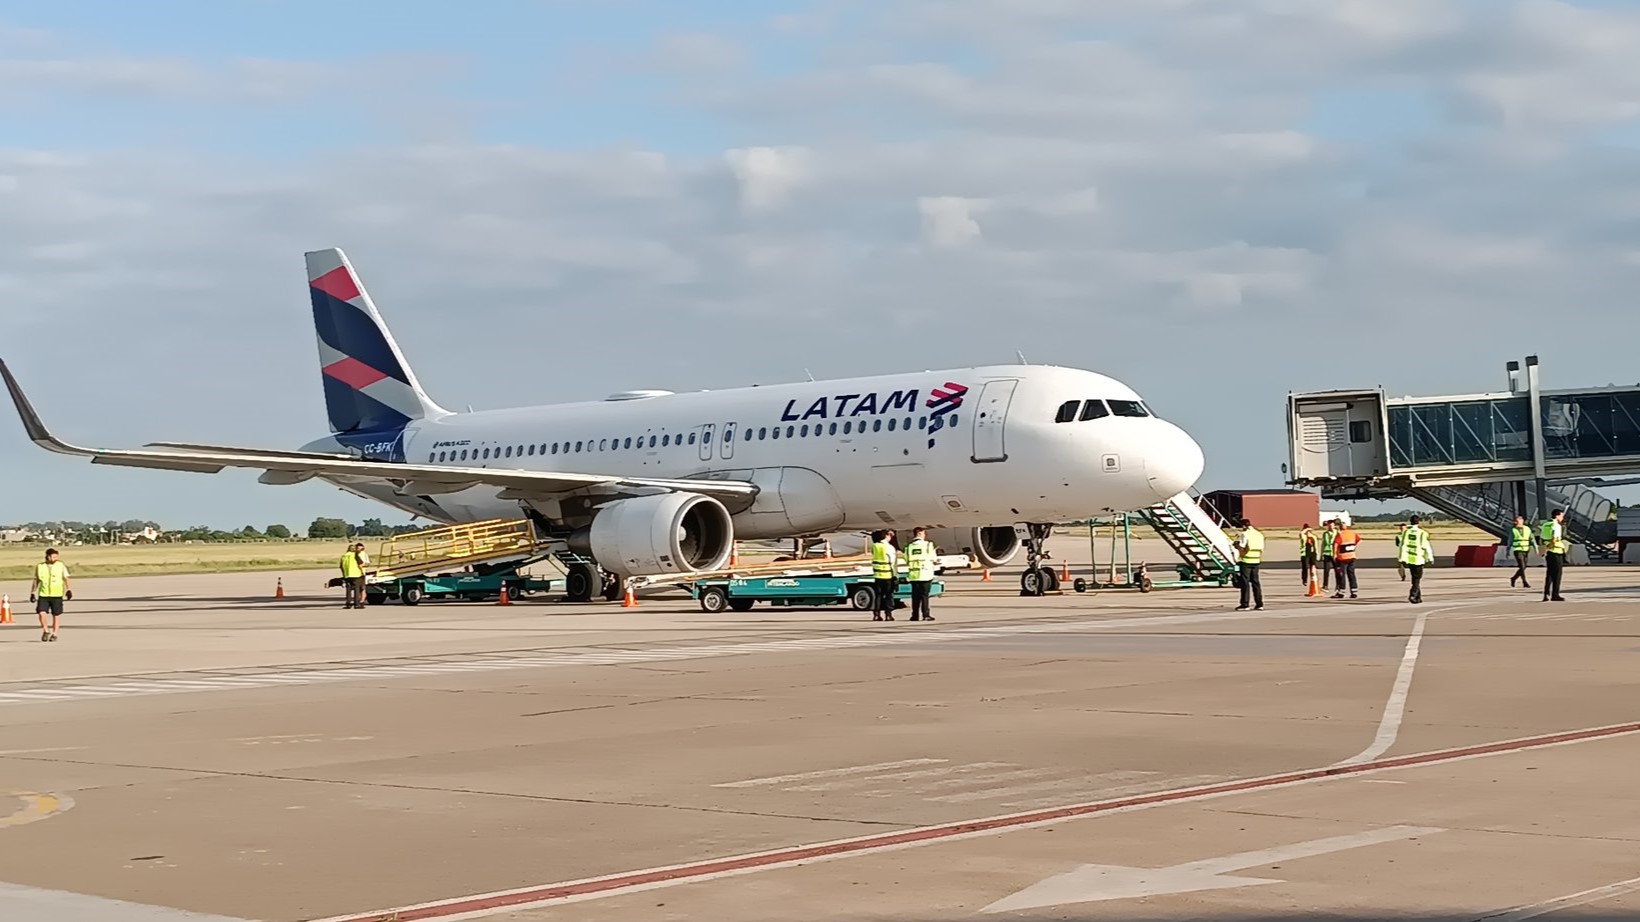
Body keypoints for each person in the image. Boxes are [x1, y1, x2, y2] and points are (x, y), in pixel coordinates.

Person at [30, 547, 71, 642]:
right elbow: (36, 580)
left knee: (56, 615)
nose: (55, 559)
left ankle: (55, 633)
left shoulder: (60, 565)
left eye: (56, 557)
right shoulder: (40, 566)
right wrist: (32, 592)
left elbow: (66, 578)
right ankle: (46, 630)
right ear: (48, 557)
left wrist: (68, 590)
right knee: (41, 613)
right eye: (53, 557)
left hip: (56, 594)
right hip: (43, 594)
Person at [903, 526, 938, 621]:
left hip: (914, 575)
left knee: (915, 597)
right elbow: (934, 558)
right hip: (925, 574)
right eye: (923, 533)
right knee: (925, 596)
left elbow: (906, 559)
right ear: (919, 534)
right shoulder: (928, 545)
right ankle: (926, 615)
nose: (925, 535)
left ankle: (915, 615)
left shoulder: (909, 547)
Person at [1399, 516, 1433, 603]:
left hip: (1409, 558)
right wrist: (1430, 557)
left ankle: (1418, 597)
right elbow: (1426, 546)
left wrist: (1401, 558)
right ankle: (1412, 595)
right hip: (1419, 559)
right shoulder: (1422, 533)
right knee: (1417, 579)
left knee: (1415, 578)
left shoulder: (1406, 532)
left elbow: (1402, 545)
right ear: (1419, 522)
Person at [1234, 517, 1264, 611]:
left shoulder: (1245, 534)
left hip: (1246, 561)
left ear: (1243, 526)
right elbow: (1262, 548)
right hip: (1256, 561)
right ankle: (1259, 604)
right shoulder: (1259, 534)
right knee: (1256, 583)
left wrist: (1236, 545)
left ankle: (1245, 604)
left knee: (1245, 583)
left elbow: (1242, 547)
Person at [869, 529, 898, 621]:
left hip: (878, 575)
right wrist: (895, 576)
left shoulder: (875, 546)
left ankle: (876, 614)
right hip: (888, 575)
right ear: (886, 536)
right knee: (888, 596)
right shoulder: (889, 547)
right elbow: (893, 563)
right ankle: (888, 614)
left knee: (878, 596)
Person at [1540, 509, 1567, 602]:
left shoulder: (1545, 525)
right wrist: (1549, 547)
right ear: (1557, 516)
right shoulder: (1556, 525)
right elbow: (1554, 539)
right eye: (1561, 516)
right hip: (1556, 551)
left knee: (1549, 574)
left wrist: (1544, 550)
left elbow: (1542, 539)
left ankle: (1546, 594)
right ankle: (1555, 594)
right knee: (1557, 574)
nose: (1562, 518)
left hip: (1549, 553)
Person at [1331, 521, 1360, 599]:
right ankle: (1354, 592)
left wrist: (1334, 555)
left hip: (1342, 558)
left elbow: (1336, 544)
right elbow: (1358, 540)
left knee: (1342, 575)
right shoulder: (1352, 533)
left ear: (1339, 527)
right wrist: (1352, 547)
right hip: (1352, 556)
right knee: (1351, 574)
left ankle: (1341, 592)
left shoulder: (1340, 534)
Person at [1508, 515, 1534, 589]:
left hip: (1525, 549)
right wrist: (1507, 550)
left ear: (1522, 521)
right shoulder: (1513, 530)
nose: (1516, 522)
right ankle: (1524, 582)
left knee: (1524, 566)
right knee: (1522, 566)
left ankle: (1514, 578)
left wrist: (1536, 547)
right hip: (1517, 549)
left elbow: (1532, 538)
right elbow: (1510, 540)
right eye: (1515, 521)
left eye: (1518, 520)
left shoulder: (1527, 529)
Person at [339, 542, 367, 609]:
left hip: (347, 575)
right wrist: (362, 572)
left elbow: (341, 566)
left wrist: (344, 575)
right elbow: (360, 564)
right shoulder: (355, 555)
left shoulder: (344, 556)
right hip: (356, 575)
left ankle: (348, 604)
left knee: (348, 590)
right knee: (356, 590)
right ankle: (356, 604)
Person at [1318, 519, 1337, 590]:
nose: (1330, 527)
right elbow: (1323, 544)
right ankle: (1325, 585)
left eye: (1331, 525)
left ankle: (1338, 585)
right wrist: (1321, 554)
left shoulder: (1337, 533)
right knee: (1326, 570)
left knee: (1337, 570)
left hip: (1334, 553)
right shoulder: (1325, 533)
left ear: (1334, 526)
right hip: (1326, 553)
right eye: (1329, 525)